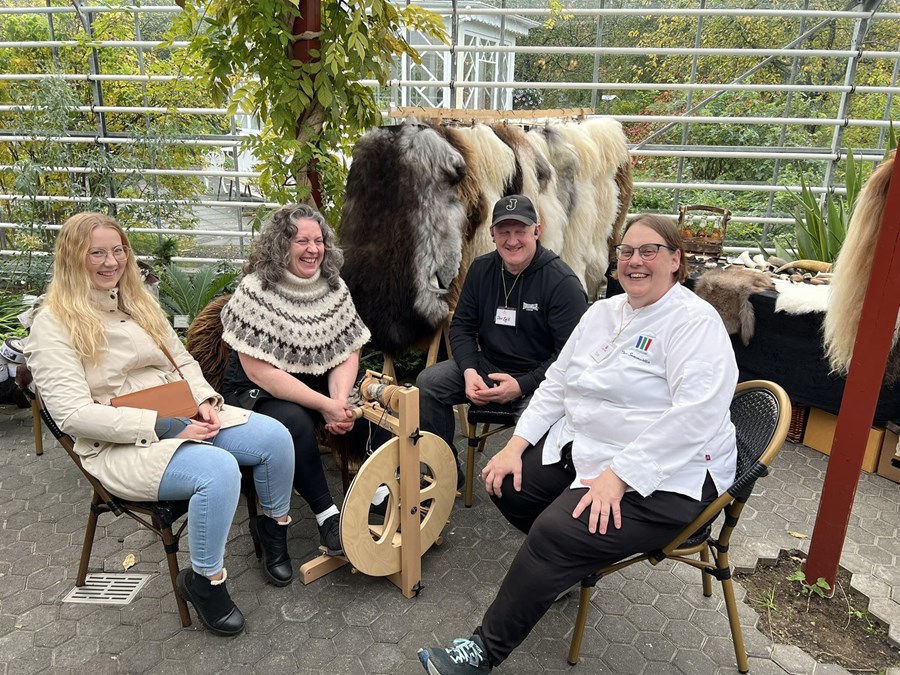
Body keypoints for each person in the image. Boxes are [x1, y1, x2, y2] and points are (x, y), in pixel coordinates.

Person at [417, 214, 738, 674]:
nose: (635, 261)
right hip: (591, 448)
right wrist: (514, 445)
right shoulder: (605, 312)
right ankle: (564, 569)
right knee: (506, 484)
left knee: (555, 532)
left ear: (675, 261)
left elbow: (696, 415)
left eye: (649, 251)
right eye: (626, 252)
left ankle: (482, 653)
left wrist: (620, 478)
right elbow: (556, 383)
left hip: (671, 475)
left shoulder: (694, 322)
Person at [25, 212, 295, 637]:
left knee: (276, 438)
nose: (110, 261)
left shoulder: (135, 300)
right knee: (219, 471)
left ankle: (274, 532)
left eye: (118, 250)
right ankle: (204, 581)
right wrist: (168, 426)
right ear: (71, 258)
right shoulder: (53, 324)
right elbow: (74, 415)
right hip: (120, 444)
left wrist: (204, 399)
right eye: (96, 252)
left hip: (183, 412)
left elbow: (182, 359)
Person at [220, 203, 381, 556]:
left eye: (319, 240)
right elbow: (262, 372)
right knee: (294, 422)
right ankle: (328, 517)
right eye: (301, 241)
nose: (313, 249)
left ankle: (378, 493)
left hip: (314, 383)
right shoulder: (256, 291)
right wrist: (325, 406)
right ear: (280, 244)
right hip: (257, 389)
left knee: (363, 407)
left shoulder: (334, 289)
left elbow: (348, 349)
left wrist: (339, 401)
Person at [416, 194, 588, 486]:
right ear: (492, 234)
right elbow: (461, 327)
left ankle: (527, 493)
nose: (512, 241)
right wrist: (470, 372)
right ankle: (444, 469)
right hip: (487, 366)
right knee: (429, 384)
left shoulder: (562, 283)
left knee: (537, 434)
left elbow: (572, 358)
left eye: (520, 231)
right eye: (504, 232)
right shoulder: (482, 269)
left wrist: (521, 385)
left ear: (537, 230)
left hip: (540, 380)